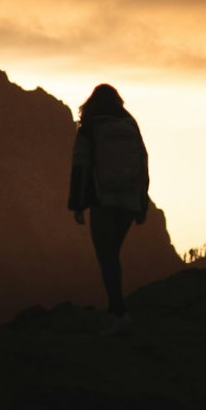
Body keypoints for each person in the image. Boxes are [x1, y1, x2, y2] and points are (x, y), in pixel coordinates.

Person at [68, 84, 149, 336]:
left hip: (103, 200)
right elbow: (143, 162)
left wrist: (78, 205)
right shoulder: (129, 124)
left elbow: (80, 168)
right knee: (113, 254)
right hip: (128, 200)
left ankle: (119, 314)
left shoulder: (90, 127)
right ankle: (118, 311)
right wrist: (141, 203)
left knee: (107, 257)